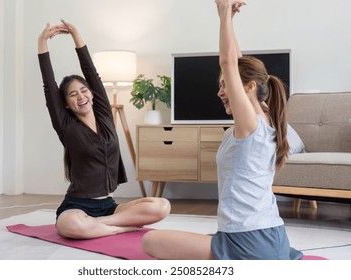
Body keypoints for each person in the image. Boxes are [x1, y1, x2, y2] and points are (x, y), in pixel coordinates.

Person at [141, 0, 303, 260]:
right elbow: (236, 63)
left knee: (150, 241)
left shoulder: (250, 124)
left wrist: (226, 10)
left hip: (248, 241)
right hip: (273, 236)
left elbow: (230, 63)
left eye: (224, 85)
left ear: (248, 87)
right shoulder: (266, 118)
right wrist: (224, 17)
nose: (220, 92)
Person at [37, 20, 170, 239]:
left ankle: (98, 225)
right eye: (73, 94)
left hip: (108, 207)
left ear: (91, 93)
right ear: (67, 104)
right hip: (77, 206)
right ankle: (120, 228)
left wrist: (76, 35)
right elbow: (48, 86)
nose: (81, 96)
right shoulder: (66, 126)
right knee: (69, 225)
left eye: (83, 91)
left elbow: (92, 74)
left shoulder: (105, 116)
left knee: (162, 206)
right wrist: (41, 42)